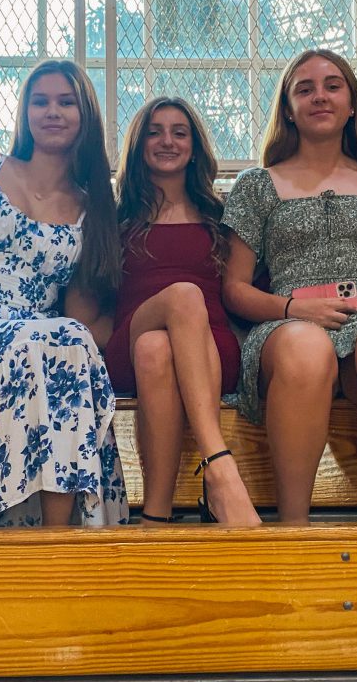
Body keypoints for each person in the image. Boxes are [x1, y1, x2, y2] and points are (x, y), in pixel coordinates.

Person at [221, 49, 357, 525]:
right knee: (307, 349)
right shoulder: (257, 184)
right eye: (305, 88)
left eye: (332, 86)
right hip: (287, 325)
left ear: (350, 105)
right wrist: (295, 309)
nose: (320, 96)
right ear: (288, 108)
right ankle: (294, 530)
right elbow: (234, 289)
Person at [0, 60, 127, 530]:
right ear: (26, 112)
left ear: (85, 115)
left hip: (34, 341)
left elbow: (79, 317)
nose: (52, 111)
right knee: (45, 341)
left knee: (63, 340)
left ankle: (56, 539)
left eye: (65, 101)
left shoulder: (90, 206)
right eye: (40, 101)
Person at [104, 97, 260, 526]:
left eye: (179, 131)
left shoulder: (221, 213)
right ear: (138, 145)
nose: (167, 141)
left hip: (208, 352)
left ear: (194, 145)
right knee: (181, 300)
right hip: (128, 343)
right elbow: (90, 302)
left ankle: (155, 516)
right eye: (154, 131)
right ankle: (220, 466)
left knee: (159, 347)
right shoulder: (114, 217)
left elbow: (244, 291)